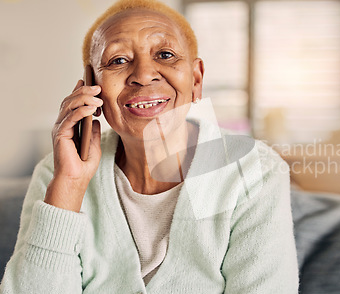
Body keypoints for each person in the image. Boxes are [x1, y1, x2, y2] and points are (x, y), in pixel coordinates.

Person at [0, 0, 299, 293]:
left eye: (166, 55)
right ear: (92, 86)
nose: (143, 75)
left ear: (196, 80)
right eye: (118, 60)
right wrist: (69, 186)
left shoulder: (254, 169)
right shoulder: (57, 172)